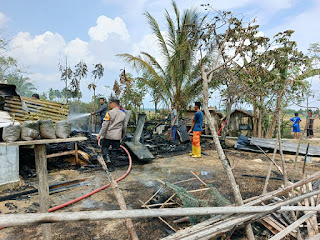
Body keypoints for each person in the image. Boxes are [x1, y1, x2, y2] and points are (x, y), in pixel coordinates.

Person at [97, 97, 127, 172]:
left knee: (104, 148)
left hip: (108, 135)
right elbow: (124, 126)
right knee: (115, 151)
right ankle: (112, 167)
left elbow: (105, 125)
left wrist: (100, 134)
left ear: (114, 104)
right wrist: (122, 135)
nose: (110, 105)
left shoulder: (109, 113)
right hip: (117, 136)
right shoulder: (123, 114)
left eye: (110, 103)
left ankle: (107, 161)